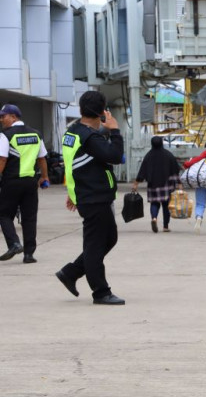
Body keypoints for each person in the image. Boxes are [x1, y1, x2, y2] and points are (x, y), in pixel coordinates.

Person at [56, 91, 126, 306]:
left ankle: (71, 272)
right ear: (102, 112)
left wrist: (73, 192)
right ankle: (101, 292)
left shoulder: (73, 132)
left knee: (108, 239)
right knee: (95, 245)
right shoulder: (90, 138)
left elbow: (71, 164)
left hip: (87, 195)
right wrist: (115, 131)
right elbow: (114, 156)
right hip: (94, 197)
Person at [0, 103, 49, 263]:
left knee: (4, 214)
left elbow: (2, 159)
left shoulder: (6, 135)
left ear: (14, 117)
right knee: (29, 217)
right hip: (30, 182)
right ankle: (29, 254)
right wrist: (45, 177)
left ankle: (14, 243)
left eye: (3, 116)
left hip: (12, 181)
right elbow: (42, 158)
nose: (1, 120)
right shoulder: (36, 134)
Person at [132, 136, 181, 233]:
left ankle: (154, 218)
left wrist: (136, 183)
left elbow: (142, 171)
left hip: (153, 184)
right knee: (166, 205)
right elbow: (176, 169)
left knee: (154, 203)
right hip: (167, 184)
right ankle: (165, 226)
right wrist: (179, 183)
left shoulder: (148, 156)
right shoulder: (168, 155)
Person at [183, 145, 206, 234]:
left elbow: (189, 163)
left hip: (201, 181)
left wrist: (186, 164)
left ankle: (199, 217)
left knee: (200, 204)